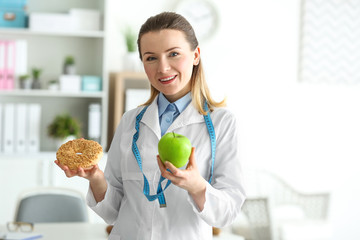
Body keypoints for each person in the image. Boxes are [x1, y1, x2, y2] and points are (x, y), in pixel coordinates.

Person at [55, 11, 245, 240]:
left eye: (173, 54)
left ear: (196, 55)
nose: (163, 68)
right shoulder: (130, 121)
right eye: (151, 58)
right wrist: (95, 177)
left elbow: (228, 212)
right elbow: (112, 212)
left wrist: (197, 186)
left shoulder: (222, 123)